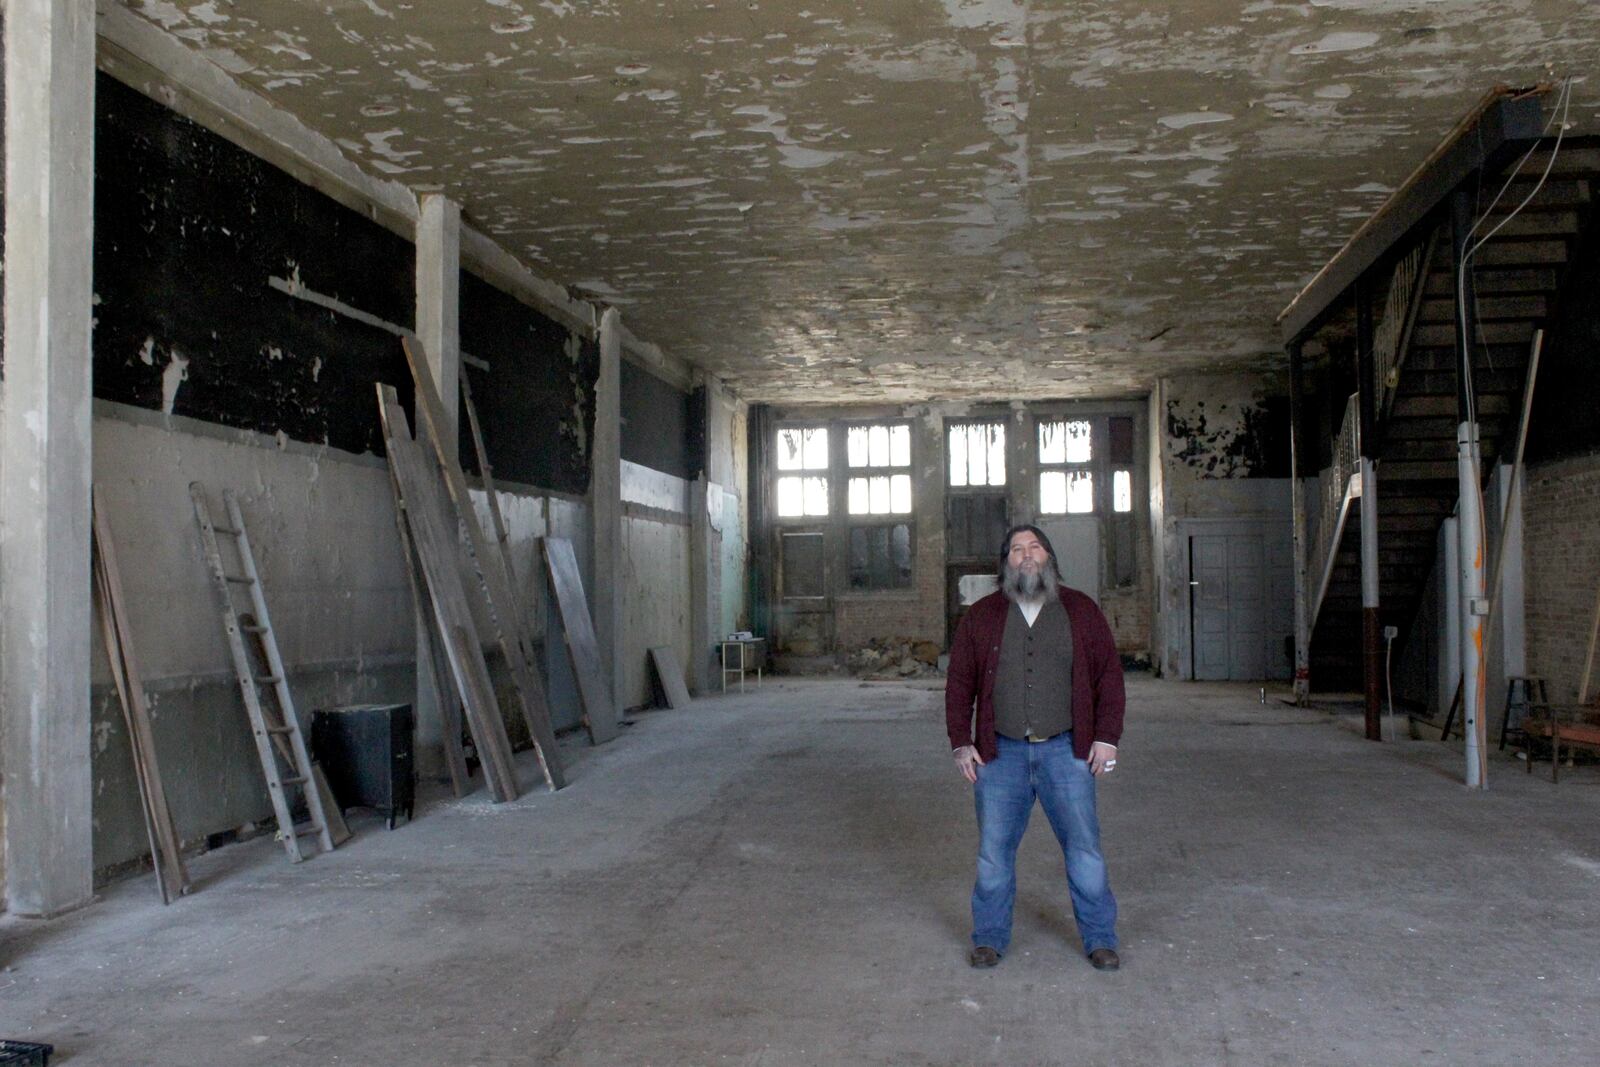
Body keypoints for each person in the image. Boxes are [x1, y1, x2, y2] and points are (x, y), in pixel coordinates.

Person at [945, 523, 1126, 971]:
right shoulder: (983, 615)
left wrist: (1106, 738)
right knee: (993, 852)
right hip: (998, 754)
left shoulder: (1081, 610)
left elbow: (1109, 677)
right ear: (1005, 562)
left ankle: (1100, 938)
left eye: (1035, 547)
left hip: (1066, 751)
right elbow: (960, 682)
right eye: (1016, 550)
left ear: (1049, 557)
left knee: (1084, 848)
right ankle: (988, 937)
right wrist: (961, 742)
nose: (1026, 556)